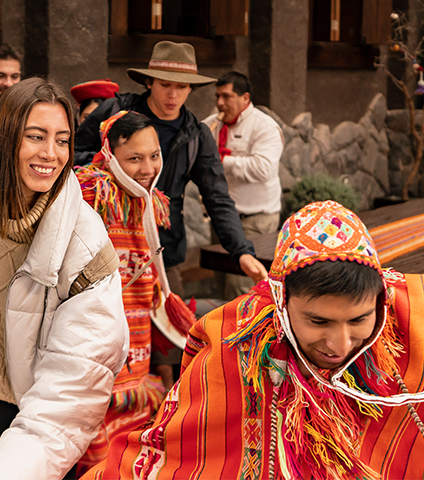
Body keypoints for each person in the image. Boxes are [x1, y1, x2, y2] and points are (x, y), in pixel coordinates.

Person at [83, 200, 424, 480]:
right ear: (282, 302)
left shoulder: (403, 309)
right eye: (318, 322)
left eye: (357, 320)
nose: (341, 342)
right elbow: (178, 453)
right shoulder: (235, 344)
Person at [0, 77, 129, 479]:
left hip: (38, 425)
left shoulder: (84, 246)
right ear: (5, 139)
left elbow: (69, 396)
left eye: (62, 140)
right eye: (36, 136)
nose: (50, 154)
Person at [74, 40, 266, 388]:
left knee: (171, 342)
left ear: (192, 89)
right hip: (106, 242)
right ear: (149, 82)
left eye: (181, 86)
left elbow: (218, 197)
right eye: (165, 85)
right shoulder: (116, 112)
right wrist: (109, 180)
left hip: (163, 247)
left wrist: (242, 252)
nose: (173, 95)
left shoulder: (196, 135)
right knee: (104, 336)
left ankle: (162, 417)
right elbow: (76, 150)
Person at [74, 111, 194, 474]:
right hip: (93, 336)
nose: (146, 167)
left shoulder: (149, 200)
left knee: (130, 440)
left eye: (153, 155)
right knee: (92, 433)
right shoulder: (90, 191)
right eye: (135, 158)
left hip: (136, 338)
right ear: (110, 154)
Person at [203, 71, 284, 298]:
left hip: (254, 220)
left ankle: (242, 333)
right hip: (221, 219)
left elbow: (263, 168)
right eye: (218, 96)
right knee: (220, 280)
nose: (219, 103)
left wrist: (221, 160)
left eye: (227, 97)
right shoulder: (211, 125)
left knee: (241, 289)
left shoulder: (264, 126)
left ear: (245, 99)